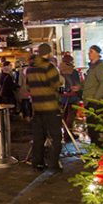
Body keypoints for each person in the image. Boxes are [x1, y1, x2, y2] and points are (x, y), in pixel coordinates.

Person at [25, 43, 62, 173]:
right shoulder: (49, 67)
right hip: (50, 106)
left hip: (37, 107)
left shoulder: (30, 69)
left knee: (38, 137)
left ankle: (38, 163)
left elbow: (28, 87)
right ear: (49, 53)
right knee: (56, 137)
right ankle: (53, 164)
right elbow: (56, 85)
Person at [83, 45, 103, 147]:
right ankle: (96, 147)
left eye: (91, 51)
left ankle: (99, 147)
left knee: (95, 126)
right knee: (92, 127)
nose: (89, 54)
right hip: (90, 101)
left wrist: (95, 99)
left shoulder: (99, 67)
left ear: (97, 54)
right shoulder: (92, 68)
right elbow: (91, 83)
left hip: (95, 102)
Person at [59, 55, 82, 141]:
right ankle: (68, 135)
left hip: (63, 98)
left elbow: (59, 85)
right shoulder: (73, 72)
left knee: (64, 117)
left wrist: (63, 93)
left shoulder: (59, 72)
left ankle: (66, 133)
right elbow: (77, 85)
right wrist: (74, 91)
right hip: (72, 97)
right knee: (71, 117)